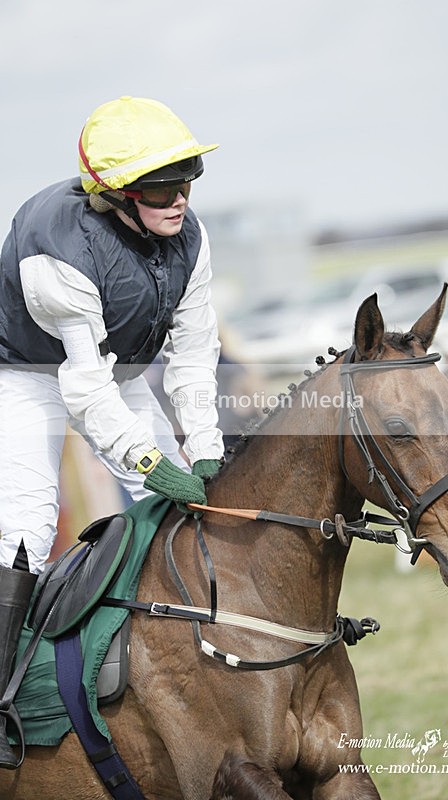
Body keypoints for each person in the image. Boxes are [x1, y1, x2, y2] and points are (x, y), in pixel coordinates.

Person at [0, 96, 225, 768]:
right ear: (116, 193)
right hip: (26, 375)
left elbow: (194, 354)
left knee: (184, 508)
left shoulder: (191, 238)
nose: (178, 199)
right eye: (159, 188)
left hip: (114, 369)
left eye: (186, 181)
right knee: (27, 527)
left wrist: (204, 448)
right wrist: (152, 462)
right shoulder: (58, 250)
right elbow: (84, 389)